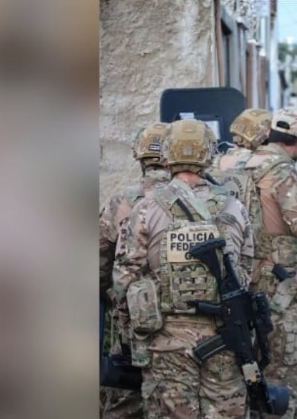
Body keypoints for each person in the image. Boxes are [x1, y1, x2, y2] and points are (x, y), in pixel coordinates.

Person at [112, 119, 254, 419]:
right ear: (209, 154)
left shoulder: (146, 208)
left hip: (166, 338)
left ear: (167, 153)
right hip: (224, 334)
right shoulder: (234, 207)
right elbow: (246, 271)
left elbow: (126, 276)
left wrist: (129, 334)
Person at [243, 107, 297, 419]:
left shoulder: (239, 162)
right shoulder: (281, 171)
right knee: (280, 365)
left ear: (268, 134)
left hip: (240, 276)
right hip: (274, 285)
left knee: (246, 361)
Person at [99, 122, 172, 419]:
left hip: (134, 315)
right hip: (186, 319)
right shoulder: (195, 200)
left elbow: (99, 260)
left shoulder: (123, 201)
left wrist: (112, 298)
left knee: (125, 398)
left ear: (139, 157)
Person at [208, 108, 272, 273]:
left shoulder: (213, 163)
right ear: (265, 134)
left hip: (217, 249)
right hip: (253, 256)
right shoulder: (268, 164)